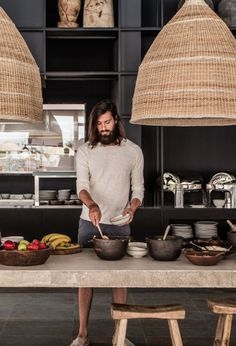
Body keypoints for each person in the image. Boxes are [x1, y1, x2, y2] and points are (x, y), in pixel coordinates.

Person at [71, 99, 144, 346]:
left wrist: (132, 207)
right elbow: (81, 187)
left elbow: (139, 189)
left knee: (119, 279)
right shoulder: (85, 151)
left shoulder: (133, 151)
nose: (103, 127)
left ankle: (119, 335)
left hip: (120, 223)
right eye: (99, 123)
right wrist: (91, 205)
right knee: (85, 279)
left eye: (107, 122)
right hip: (90, 223)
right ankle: (82, 334)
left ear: (116, 121)